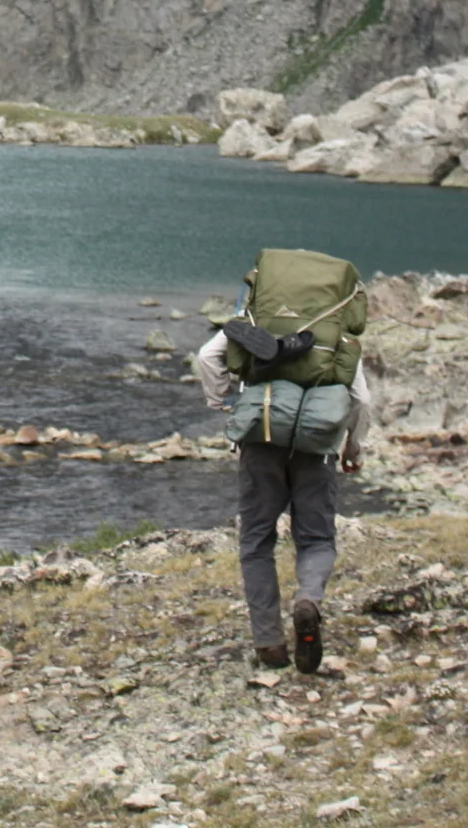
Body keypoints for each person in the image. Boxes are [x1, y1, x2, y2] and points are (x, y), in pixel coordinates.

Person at [195, 262, 373, 674]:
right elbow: (361, 401)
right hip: (317, 445)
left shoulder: (257, 321)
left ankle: (269, 644)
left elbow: (208, 357)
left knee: (256, 541)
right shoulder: (335, 333)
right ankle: (308, 598)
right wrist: (353, 448)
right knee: (316, 538)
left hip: (262, 438)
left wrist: (221, 401)